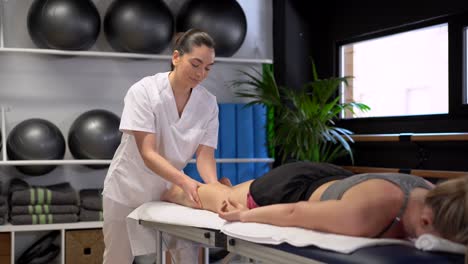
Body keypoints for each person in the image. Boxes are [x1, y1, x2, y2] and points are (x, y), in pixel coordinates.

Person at [102, 29, 220, 264]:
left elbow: (205, 156)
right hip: (129, 187)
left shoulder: (208, 103)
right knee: (118, 258)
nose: (200, 73)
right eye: (195, 64)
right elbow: (148, 153)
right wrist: (185, 181)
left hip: (170, 191)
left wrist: (214, 187)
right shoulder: (144, 92)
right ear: (176, 57)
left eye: (207, 68)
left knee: (184, 255)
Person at [162, 161, 468, 250]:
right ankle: (181, 192)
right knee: (218, 202)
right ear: (427, 223)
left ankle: (230, 188)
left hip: (336, 181)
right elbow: (295, 213)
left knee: (233, 192)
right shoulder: (365, 215)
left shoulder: (433, 192)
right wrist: (244, 215)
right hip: (291, 190)